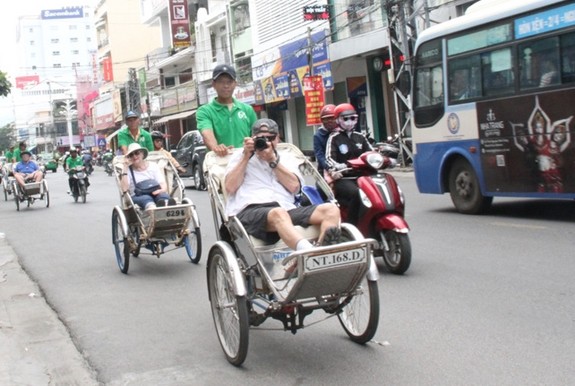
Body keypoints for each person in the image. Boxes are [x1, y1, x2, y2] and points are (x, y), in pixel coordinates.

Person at [225, 118, 342, 261]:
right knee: (278, 213)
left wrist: (273, 161)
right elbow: (230, 187)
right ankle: (308, 255)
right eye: (261, 138)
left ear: (278, 139)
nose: (266, 142)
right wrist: (245, 158)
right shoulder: (240, 156)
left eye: (270, 138)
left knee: (331, 210)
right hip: (251, 210)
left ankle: (321, 251)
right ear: (252, 138)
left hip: (286, 208)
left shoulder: (286, 158)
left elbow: (294, 187)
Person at [325, 103, 375, 227]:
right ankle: (352, 225)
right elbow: (329, 158)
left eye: (352, 118)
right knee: (357, 193)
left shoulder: (360, 137)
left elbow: (371, 153)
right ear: (337, 120)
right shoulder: (334, 138)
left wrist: (382, 158)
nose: (349, 121)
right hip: (345, 178)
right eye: (345, 118)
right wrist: (338, 166)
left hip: (363, 176)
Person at [197, 64, 258, 156]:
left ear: (235, 84)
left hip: (246, 161)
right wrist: (216, 147)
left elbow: (256, 134)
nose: (226, 85)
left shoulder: (247, 109)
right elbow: (206, 133)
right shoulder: (205, 111)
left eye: (229, 82)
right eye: (221, 82)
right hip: (220, 163)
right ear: (214, 84)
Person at [119, 143, 174, 210]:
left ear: (142, 154)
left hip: (156, 193)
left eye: (137, 153)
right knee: (146, 199)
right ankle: (153, 211)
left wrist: (158, 192)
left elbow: (163, 184)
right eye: (131, 155)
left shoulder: (153, 166)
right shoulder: (127, 170)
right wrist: (125, 167)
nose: (134, 156)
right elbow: (124, 189)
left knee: (163, 196)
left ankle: (166, 206)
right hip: (138, 196)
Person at [313, 104, 339, 176]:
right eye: (326, 119)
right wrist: (329, 168)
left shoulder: (342, 132)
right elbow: (319, 155)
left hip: (343, 168)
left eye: (332, 118)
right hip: (326, 169)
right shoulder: (318, 135)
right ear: (322, 120)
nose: (329, 121)